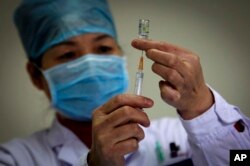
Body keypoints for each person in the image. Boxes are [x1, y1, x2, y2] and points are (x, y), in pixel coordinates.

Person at [0, 0, 249, 165]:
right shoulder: (14, 158)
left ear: (121, 56)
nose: (91, 64)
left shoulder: (176, 135)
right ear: (36, 76)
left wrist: (202, 108)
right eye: (68, 54)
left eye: (103, 48)